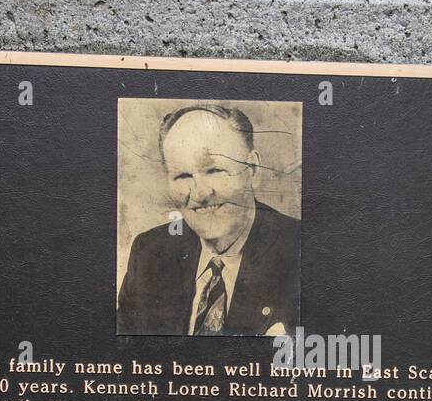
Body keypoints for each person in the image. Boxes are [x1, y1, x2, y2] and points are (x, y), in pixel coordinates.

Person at [117, 104, 300, 336]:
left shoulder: (302, 252)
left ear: (252, 169)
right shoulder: (150, 253)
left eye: (214, 170)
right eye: (182, 176)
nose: (201, 194)